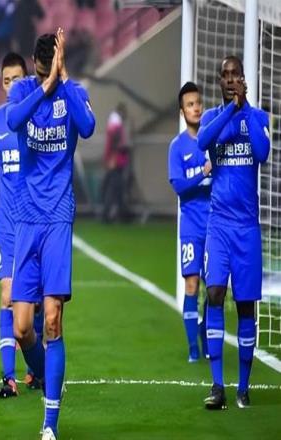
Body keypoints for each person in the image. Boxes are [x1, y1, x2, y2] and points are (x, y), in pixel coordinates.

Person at [6, 29, 95, 439]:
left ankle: (50, 423)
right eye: (42, 70)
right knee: (23, 328)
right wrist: (46, 83)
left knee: (54, 320)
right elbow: (13, 120)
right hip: (26, 218)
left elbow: (88, 127)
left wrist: (64, 79)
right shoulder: (24, 89)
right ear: (34, 64)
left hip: (58, 216)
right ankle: (48, 379)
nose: (47, 75)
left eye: (51, 68)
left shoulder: (73, 92)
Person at [197, 56, 270, 409]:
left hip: (247, 228)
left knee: (245, 306)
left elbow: (262, 152)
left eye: (235, 75)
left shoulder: (258, 118)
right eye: (225, 75)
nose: (229, 80)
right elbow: (203, 141)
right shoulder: (212, 117)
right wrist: (231, 109)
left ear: (243, 78)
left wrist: (246, 108)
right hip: (219, 226)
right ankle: (217, 386)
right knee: (213, 293)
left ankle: (242, 387)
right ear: (219, 80)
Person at [0, 52, 43, 398]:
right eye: (6, 81)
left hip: (36, 223)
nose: (11, 86)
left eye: (16, 80)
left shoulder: (39, 118)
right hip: (6, 224)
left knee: (35, 304)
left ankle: (36, 371)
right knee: (7, 296)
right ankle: (8, 377)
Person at [168, 82, 210, 363]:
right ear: (182, 111)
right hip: (192, 227)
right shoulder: (177, 146)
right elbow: (179, 186)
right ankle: (193, 348)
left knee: (215, 288)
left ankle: (206, 336)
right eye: (190, 104)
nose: (196, 108)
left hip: (215, 225)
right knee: (192, 284)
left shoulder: (212, 141)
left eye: (198, 103)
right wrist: (203, 173)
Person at [101, 102, 131, 222]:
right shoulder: (116, 126)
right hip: (116, 161)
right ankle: (110, 215)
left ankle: (119, 214)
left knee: (116, 188)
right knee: (114, 189)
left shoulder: (113, 124)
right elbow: (114, 144)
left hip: (115, 161)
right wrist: (112, 159)